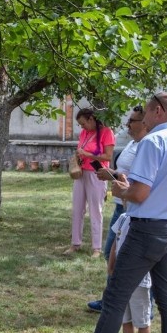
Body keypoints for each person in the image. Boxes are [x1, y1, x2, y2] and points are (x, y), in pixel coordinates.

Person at [46, 92, 167, 333]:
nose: (142, 120)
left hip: (148, 229)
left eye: (144, 113)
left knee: (115, 296)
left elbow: (140, 194)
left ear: (158, 112)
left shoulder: (153, 142)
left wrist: (120, 191)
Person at [87, 105, 148, 312]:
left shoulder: (146, 147)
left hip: (131, 208)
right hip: (119, 206)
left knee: (117, 256)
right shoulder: (132, 144)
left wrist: (114, 176)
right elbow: (122, 174)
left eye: (132, 120)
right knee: (110, 254)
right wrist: (110, 174)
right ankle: (114, 298)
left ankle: (116, 301)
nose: (128, 124)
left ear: (145, 123)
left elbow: (137, 182)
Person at [102, 213, 152, 333]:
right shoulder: (124, 217)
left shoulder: (147, 220)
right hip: (121, 276)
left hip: (139, 280)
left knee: (142, 320)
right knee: (125, 317)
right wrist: (111, 266)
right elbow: (115, 244)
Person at [65, 107, 115, 257]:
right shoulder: (84, 133)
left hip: (97, 174)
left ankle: (97, 248)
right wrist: (79, 157)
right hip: (81, 173)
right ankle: (75, 243)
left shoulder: (107, 132)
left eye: (83, 123)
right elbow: (80, 149)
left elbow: (108, 157)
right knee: (77, 209)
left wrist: (87, 154)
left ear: (92, 119)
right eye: (80, 125)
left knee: (96, 210)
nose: (82, 127)